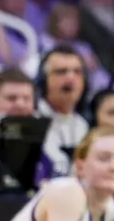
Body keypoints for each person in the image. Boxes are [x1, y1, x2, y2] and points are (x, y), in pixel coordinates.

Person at [37, 45, 90, 177]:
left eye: (77, 72)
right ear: (43, 80)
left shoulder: (83, 125)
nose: (71, 78)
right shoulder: (32, 119)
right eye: (61, 72)